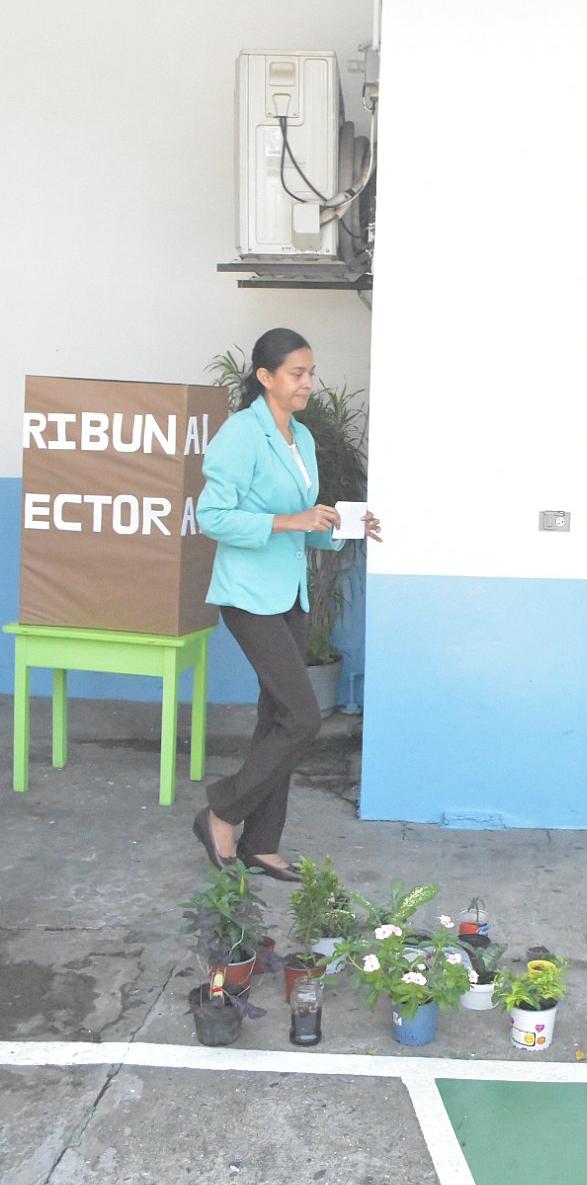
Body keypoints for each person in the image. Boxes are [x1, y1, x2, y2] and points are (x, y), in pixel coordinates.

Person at [193, 327, 381, 881]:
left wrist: (343, 525)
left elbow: (304, 524)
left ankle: (261, 844)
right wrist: (289, 519)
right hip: (247, 593)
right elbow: (213, 517)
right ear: (265, 376)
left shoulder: (301, 437)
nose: (307, 383)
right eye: (297, 373)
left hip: (288, 592)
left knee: (277, 715)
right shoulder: (241, 434)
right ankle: (221, 810)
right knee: (301, 716)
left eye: (310, 373)